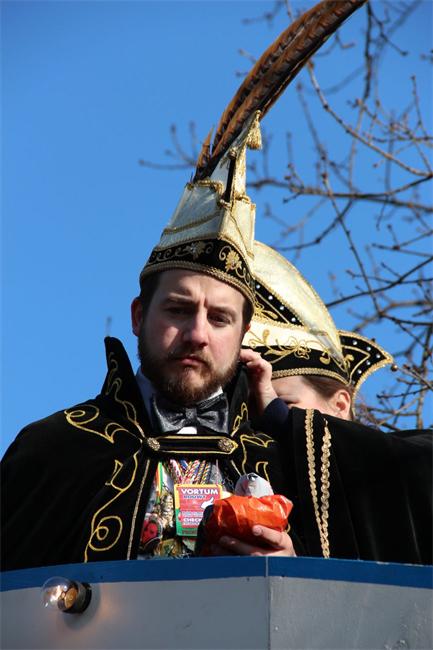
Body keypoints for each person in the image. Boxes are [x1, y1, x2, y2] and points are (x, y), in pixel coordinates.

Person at [1, 0, 369, 570]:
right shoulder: (56, 448)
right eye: (178, 309)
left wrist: (295, 569)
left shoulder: (292, 463)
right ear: (137, 316)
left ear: (243, 335)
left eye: (220, 318)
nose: (197, 333)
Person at [238, 241, 432, 565]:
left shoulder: (409, 461)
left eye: (284, 402)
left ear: (340, 404)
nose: (263, 432)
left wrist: (281, 420)